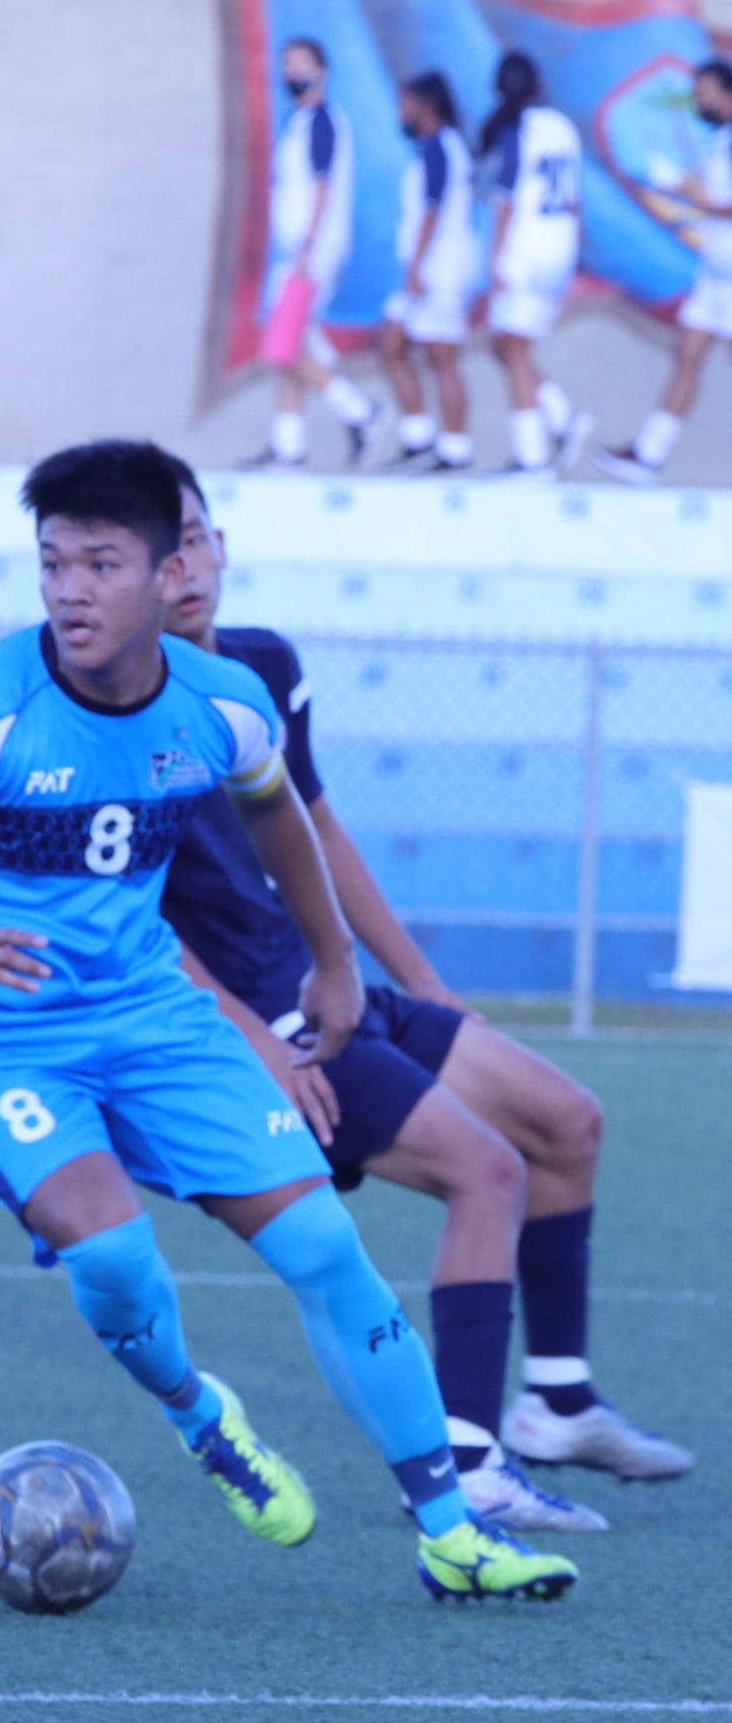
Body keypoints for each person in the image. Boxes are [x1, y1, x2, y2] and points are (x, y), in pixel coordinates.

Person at [0, 437, 576, 1604]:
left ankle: (450, 1528)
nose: (69, 590)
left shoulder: (222, 703)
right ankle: (203, 1415)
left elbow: (283, 820)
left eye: (100, 563)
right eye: (52, 563)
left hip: (155, 1016)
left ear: (167, 570)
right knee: (111, 1253)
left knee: (324, 1249)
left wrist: (337, 964)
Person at [157, 454, 693, 1526]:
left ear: (222, 548)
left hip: (332, 982)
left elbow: (317, 829)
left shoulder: (262, 664)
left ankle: (558, 1401)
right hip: (269, 1024)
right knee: (486, 1171)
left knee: (564, 1120)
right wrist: (250, 1038)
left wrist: (420, 982)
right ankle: (466, 1465)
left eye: (194, 538)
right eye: (154, 551)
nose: (182, 568)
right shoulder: (121, 715)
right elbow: (136, 926)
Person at [250, 38, 383, 470]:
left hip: (312, 250)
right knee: (289, 344)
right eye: (286, 64)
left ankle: (360, 411)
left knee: (282, 344)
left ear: (322, 69)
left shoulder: (323, 120)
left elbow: (322, 187)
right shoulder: (298, 121)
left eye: (302, 64)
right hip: (297, 250)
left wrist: (307, 247)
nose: (292, 72)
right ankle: (289, 448)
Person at [599, 59, 732, 485]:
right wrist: (675, 184)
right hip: (714, 274)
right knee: (687, 355)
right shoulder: (719, 141)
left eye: (704, 91)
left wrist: (699, 201)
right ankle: (648, 455)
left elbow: (719, 204)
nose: (698, 99)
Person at [479, 50, 588, 477]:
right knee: (504, 347)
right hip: (558, 247)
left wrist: (495, 258)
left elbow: (506, 199)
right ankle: (562, 417)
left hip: (525, 248)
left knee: (515, 351)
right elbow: (575, 199)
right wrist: (573, 252)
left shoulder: (515, 130)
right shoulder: (561, 128)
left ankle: (532, 458)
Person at [379, 72, 479, 473]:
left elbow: (432, 212)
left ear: (428, 105)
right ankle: (417, 436)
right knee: (392, 344)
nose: (401, 113)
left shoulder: (441, 147)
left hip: (440, 269)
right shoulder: (429, 148)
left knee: (442, 359)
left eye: (407, 104)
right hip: (429, 266)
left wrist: (418, 268)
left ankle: (454, 448)